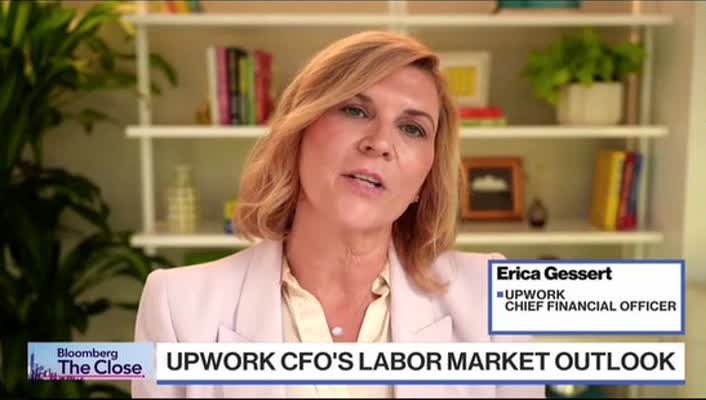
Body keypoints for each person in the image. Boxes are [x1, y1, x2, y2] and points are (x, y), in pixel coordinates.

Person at [132, 31, 545, 398]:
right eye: (355, 110)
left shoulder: (490, 298)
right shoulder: (177, 304)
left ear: (425, 179)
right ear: (298, 132)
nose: (380, 143)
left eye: (412, 129)